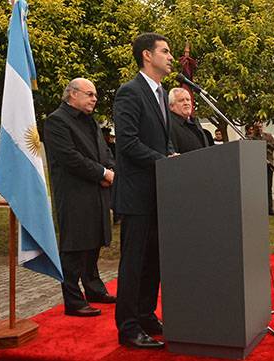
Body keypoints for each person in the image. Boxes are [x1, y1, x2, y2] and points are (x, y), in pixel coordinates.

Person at [112, 32, 177, 349]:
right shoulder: (130, 92)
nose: (170, 57)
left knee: (154, 260)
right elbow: (127, 142)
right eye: (164, 51)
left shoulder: (161, 93)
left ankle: (146, 314)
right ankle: (127, 327)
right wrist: (163, 160)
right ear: (146, 56)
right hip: (136, 194)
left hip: (158, 192)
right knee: (134, 262)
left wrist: (171, 155)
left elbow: (161, 139)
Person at [44, 78, 116, 318]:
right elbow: (69, 158)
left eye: (94, 94)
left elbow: (103, 152)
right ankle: (73, 300)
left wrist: (110, 170)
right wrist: (103, 173)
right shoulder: (56, 121)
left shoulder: (91, 121)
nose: (94, 98)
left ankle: (94, 290)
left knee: (93, 242)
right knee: (74, 247)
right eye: (89, 94)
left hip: (96, 191)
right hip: (74, 194)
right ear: (73, 94)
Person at [249, 121, 274, 216]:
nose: (259, 129)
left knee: (268, 188)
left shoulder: (268, 136)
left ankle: (270, 209)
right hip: (257, 165)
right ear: (254, 128)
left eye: (261, 127)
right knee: (257, 188)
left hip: (268, 164)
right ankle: (258, 209)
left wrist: (267, 144)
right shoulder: (251, 138)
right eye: (257, 127)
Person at [168, 87, 209, 153]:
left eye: (188, 100)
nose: (186, 103)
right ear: (171, 106)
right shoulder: (169, 124)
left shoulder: (194, 121)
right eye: (181, 100)